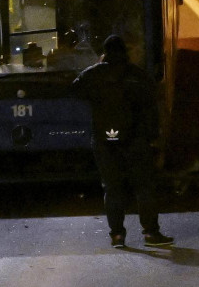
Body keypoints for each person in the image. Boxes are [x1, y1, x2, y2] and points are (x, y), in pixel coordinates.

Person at [72, 35, 173, 249]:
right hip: (135, 140)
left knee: (112, 188)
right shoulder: (137, 75)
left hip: (103, 140)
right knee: (143, 186)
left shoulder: (92, 75)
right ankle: (151, 233)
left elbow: (75, 91)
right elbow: (150, 108)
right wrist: (154, 138)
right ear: (124, 52)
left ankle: (117, 235)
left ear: (105, 52)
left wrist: (99, 69)